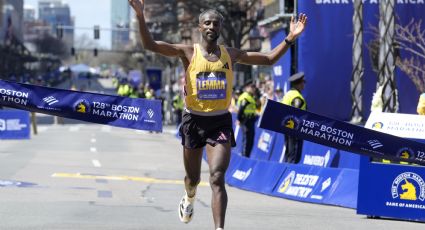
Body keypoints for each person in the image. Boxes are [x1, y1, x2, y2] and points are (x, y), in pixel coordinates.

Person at [129, 0, 307, 229]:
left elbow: (268, 59)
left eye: (216, 23)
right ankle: (190, 196)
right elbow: (150, 45)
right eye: (207, 23)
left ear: (220, 28)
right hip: (193, 120)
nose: (212, 26)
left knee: (216, 177)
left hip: (220, 121)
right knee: (193, 179)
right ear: (200, 27)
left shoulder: (230, 54)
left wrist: (290, 37)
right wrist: (141, 16)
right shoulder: (187, 52)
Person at [281, 72, 307, 164]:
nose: (304, 85)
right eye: (303, 82)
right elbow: (295, 112)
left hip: (286, 127)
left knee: (289, 153)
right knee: (294, 156)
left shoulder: (288, 94)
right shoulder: (297, 97)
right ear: (299, 84)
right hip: (295, 130)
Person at [237, 82, 258, 158]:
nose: (253, 89)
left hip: (251, 121)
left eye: (254, 87)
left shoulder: (251, 97)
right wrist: (240, 120)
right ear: (247, 88)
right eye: (252, 87)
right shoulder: (245, 97)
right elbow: (240, 110)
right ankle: (244, 158)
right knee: (246, 141)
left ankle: (247, 157)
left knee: (250, 141)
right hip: (246, 121)